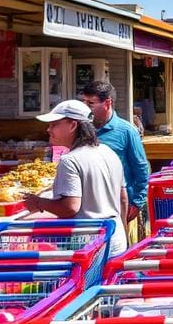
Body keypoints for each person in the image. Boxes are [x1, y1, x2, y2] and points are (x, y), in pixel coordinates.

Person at [22, 100, 128, 256]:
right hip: (115, 238)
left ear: (72, 125)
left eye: (54, 124)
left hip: (88, 245)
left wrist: (38, 202)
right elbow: (123, 198)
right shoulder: (108, 152)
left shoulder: (70, 160)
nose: (48, 130)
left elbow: (70, 207)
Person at [81, 81, 150, 228]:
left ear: (107, 103)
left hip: (121, 205)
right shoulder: (81, 130)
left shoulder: (127, 131)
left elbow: (141, 169)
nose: (85, 107)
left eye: (90, 103)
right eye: (84, 102)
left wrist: (137, 203)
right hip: (90, 206)